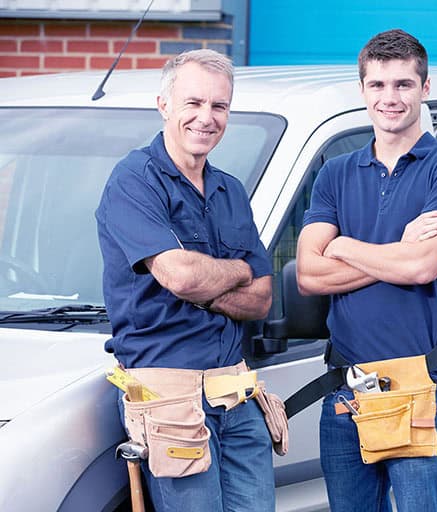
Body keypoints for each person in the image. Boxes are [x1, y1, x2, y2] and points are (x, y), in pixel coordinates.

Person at [296, 29, 437, 512]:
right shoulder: (335, 172)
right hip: (346, 392)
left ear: (425, 88)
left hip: (420, 386)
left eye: (403, 84)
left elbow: (422, 266)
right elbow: (309, 276)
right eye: (377, 85)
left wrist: (343, 244)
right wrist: (395, 250)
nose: (389, 97)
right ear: (362, 90)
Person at [96, 49, 276, 512]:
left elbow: (261, 298)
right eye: (193, 103)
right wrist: (236, 270)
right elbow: (181, 277)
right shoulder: (134, 180)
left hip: (234, 391)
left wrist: (206, 279)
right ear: (164, 105)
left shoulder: (230, 190)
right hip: (167, 397)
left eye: (219, 106)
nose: (206, 117)